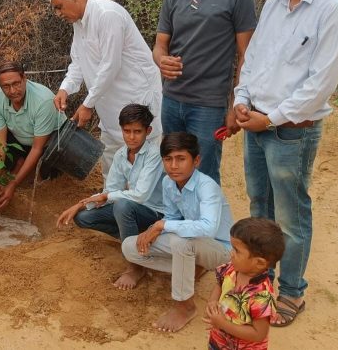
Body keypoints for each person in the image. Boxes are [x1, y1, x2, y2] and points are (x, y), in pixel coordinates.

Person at [233, 0, 338, 326]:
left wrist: (272, 118)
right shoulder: (273, 4)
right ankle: (261, 281)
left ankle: (292, 293)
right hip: (256, 123)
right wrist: (241, 100)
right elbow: (254, 59)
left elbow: (320, 84)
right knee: (259, 209)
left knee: (290, 216)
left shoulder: (332, 9)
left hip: (291, 130)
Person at [153, 0, 257, 185]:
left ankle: (206, 227)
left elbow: (247, 54)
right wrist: (161, 61)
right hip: (172, 100)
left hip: (209, 105)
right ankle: (180, 226)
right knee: (175, 170)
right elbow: (160, 45)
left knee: (204, 175)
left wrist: (236, 103)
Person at [47, 0, 163, 179]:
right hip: (109, 103)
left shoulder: (107, 14)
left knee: (145, 160)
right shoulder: (79, 24)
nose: (57, 14)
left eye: (59, 7)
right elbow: (78, 62)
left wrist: (88, 104)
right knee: (113, 158)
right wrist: (65, 88)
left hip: (136, 96)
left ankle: (149, 207)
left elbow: (111, 65)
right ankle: (112, 200)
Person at [122, 132, 233, 332]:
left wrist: (161, 226)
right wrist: (153, 229)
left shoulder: (207, 187)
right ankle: (189, 269)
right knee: (130, 246)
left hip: (220, 252)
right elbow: (172, 216)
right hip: (191, 243)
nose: (174, 166)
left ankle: (185, 306)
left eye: (181, 159)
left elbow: (208, 227)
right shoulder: (168, 182)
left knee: (182, 243)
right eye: (168, 159)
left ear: (196, 160)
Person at [56, 104, 164, 289]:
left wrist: (107, 197)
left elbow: (140, 195)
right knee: (83, 217)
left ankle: (135, 266)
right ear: (121, 129)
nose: (131, 137)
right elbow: (110, 190)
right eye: (127, 131)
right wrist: (80, 205)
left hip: (155, 213)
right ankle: (134, 238)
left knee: (122, 206)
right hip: (133, 210)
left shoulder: (155, 154)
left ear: (148, 131)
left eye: (137, 131)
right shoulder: (121, 154)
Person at [0, 61, 66, 210]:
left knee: (50, 164)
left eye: (16, 83)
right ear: (0, 85)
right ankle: (17, 163)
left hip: (47, 144)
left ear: (24, 78)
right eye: (6, 86)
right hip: (21, 141)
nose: (13, 91)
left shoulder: (43, 100)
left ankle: (37, 173)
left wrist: (12, 185)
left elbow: (37, 148)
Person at [204, 217, 285, 350]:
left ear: (259, 263)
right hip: (218, 341)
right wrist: (213, 302)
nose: (231, 254)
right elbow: (220, 283)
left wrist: (223, 324)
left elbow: (259, 334)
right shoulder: (232, 269)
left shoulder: (262, 296)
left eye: (237, 251)